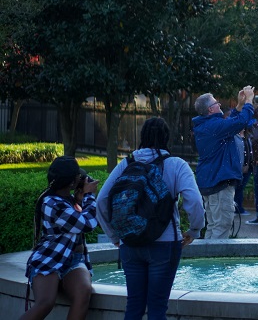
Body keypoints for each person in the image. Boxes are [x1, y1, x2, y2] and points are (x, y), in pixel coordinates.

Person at [96, 117, 205, 320]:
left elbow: (101, 200)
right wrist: (194, 230)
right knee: (157, 308)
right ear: (166, 138)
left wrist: (114, 236)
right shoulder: (177, 165)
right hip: (165, 245)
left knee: (134, 306)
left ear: (142, 136)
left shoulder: (126, 164)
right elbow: (195, 202)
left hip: (130, 243)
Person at [20, 156, 98, 320]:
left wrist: (79, 200)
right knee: (45, 303)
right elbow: (87, 224)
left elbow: (76, 220)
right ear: (71, 182)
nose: (81, 179)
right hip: (50, 259)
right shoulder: (53, 203)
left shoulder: (66, 200)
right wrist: (90, 195)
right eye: (78, 176)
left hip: (73, 260)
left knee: (83, 292)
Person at [192, 86, 255, 239]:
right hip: (219, 183)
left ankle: (208, 253)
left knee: (214, 225)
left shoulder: (208, 125)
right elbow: (241, 121)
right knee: (222, 225)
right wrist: (249, 101)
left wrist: (239, 105)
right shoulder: (214, 126)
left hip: (211, 181)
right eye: (216, 103)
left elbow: (230, 123)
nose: (219, 104)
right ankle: (216, 255)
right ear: (210, 109)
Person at [234, 123, 255, 216]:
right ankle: (236, 208)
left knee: (241, 188)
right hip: (238, 167)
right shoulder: (234, 137)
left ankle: (239, 208)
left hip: (248, 167)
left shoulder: (248, 137)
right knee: (236, 188)